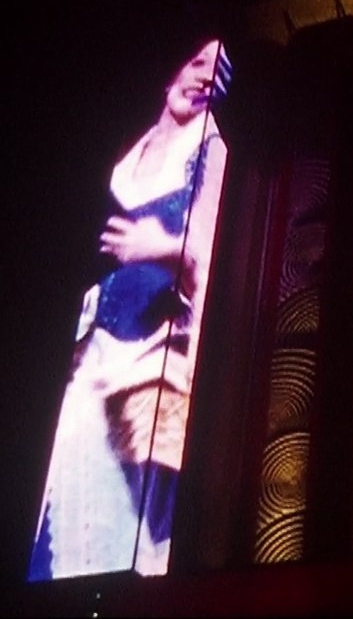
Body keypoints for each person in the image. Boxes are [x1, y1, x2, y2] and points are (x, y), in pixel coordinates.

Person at [29, 39, 231, 580]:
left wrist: (157, 246)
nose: (201, 77)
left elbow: (212, 259)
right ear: (170, 70)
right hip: (93, 356)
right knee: (71, 511)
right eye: (193, 62)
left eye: (215, 71)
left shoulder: (210, 150)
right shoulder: (127, 157)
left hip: (152, 360)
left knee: (137, 533)